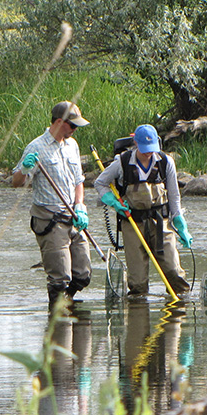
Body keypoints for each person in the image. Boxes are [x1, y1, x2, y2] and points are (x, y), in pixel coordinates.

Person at [95, 124, 192, 297]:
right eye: (145, 149)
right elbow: (100, 183)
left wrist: (179, 221)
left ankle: (180, 308)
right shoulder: (122, 162)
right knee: (138, 283)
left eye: (152, 149)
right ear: (136, 144)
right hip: (132, 222)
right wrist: (112, 201)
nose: (149, 153)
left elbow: (174, 195)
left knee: (173, 272)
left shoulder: (165, 162)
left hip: (161, 222)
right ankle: (138, 315)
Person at [12, 101, 92, 307]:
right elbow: (16, 183)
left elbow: (78, 181)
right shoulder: (36, 147)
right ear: (59, 122)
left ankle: (68, 304)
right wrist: (24, 168)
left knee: (83, 274)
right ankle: (58, 321)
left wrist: (80, 206)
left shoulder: (72, 145)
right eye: (73, 126)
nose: (75, 130)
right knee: (60, 279)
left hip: (73, 217)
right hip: (49, 219)